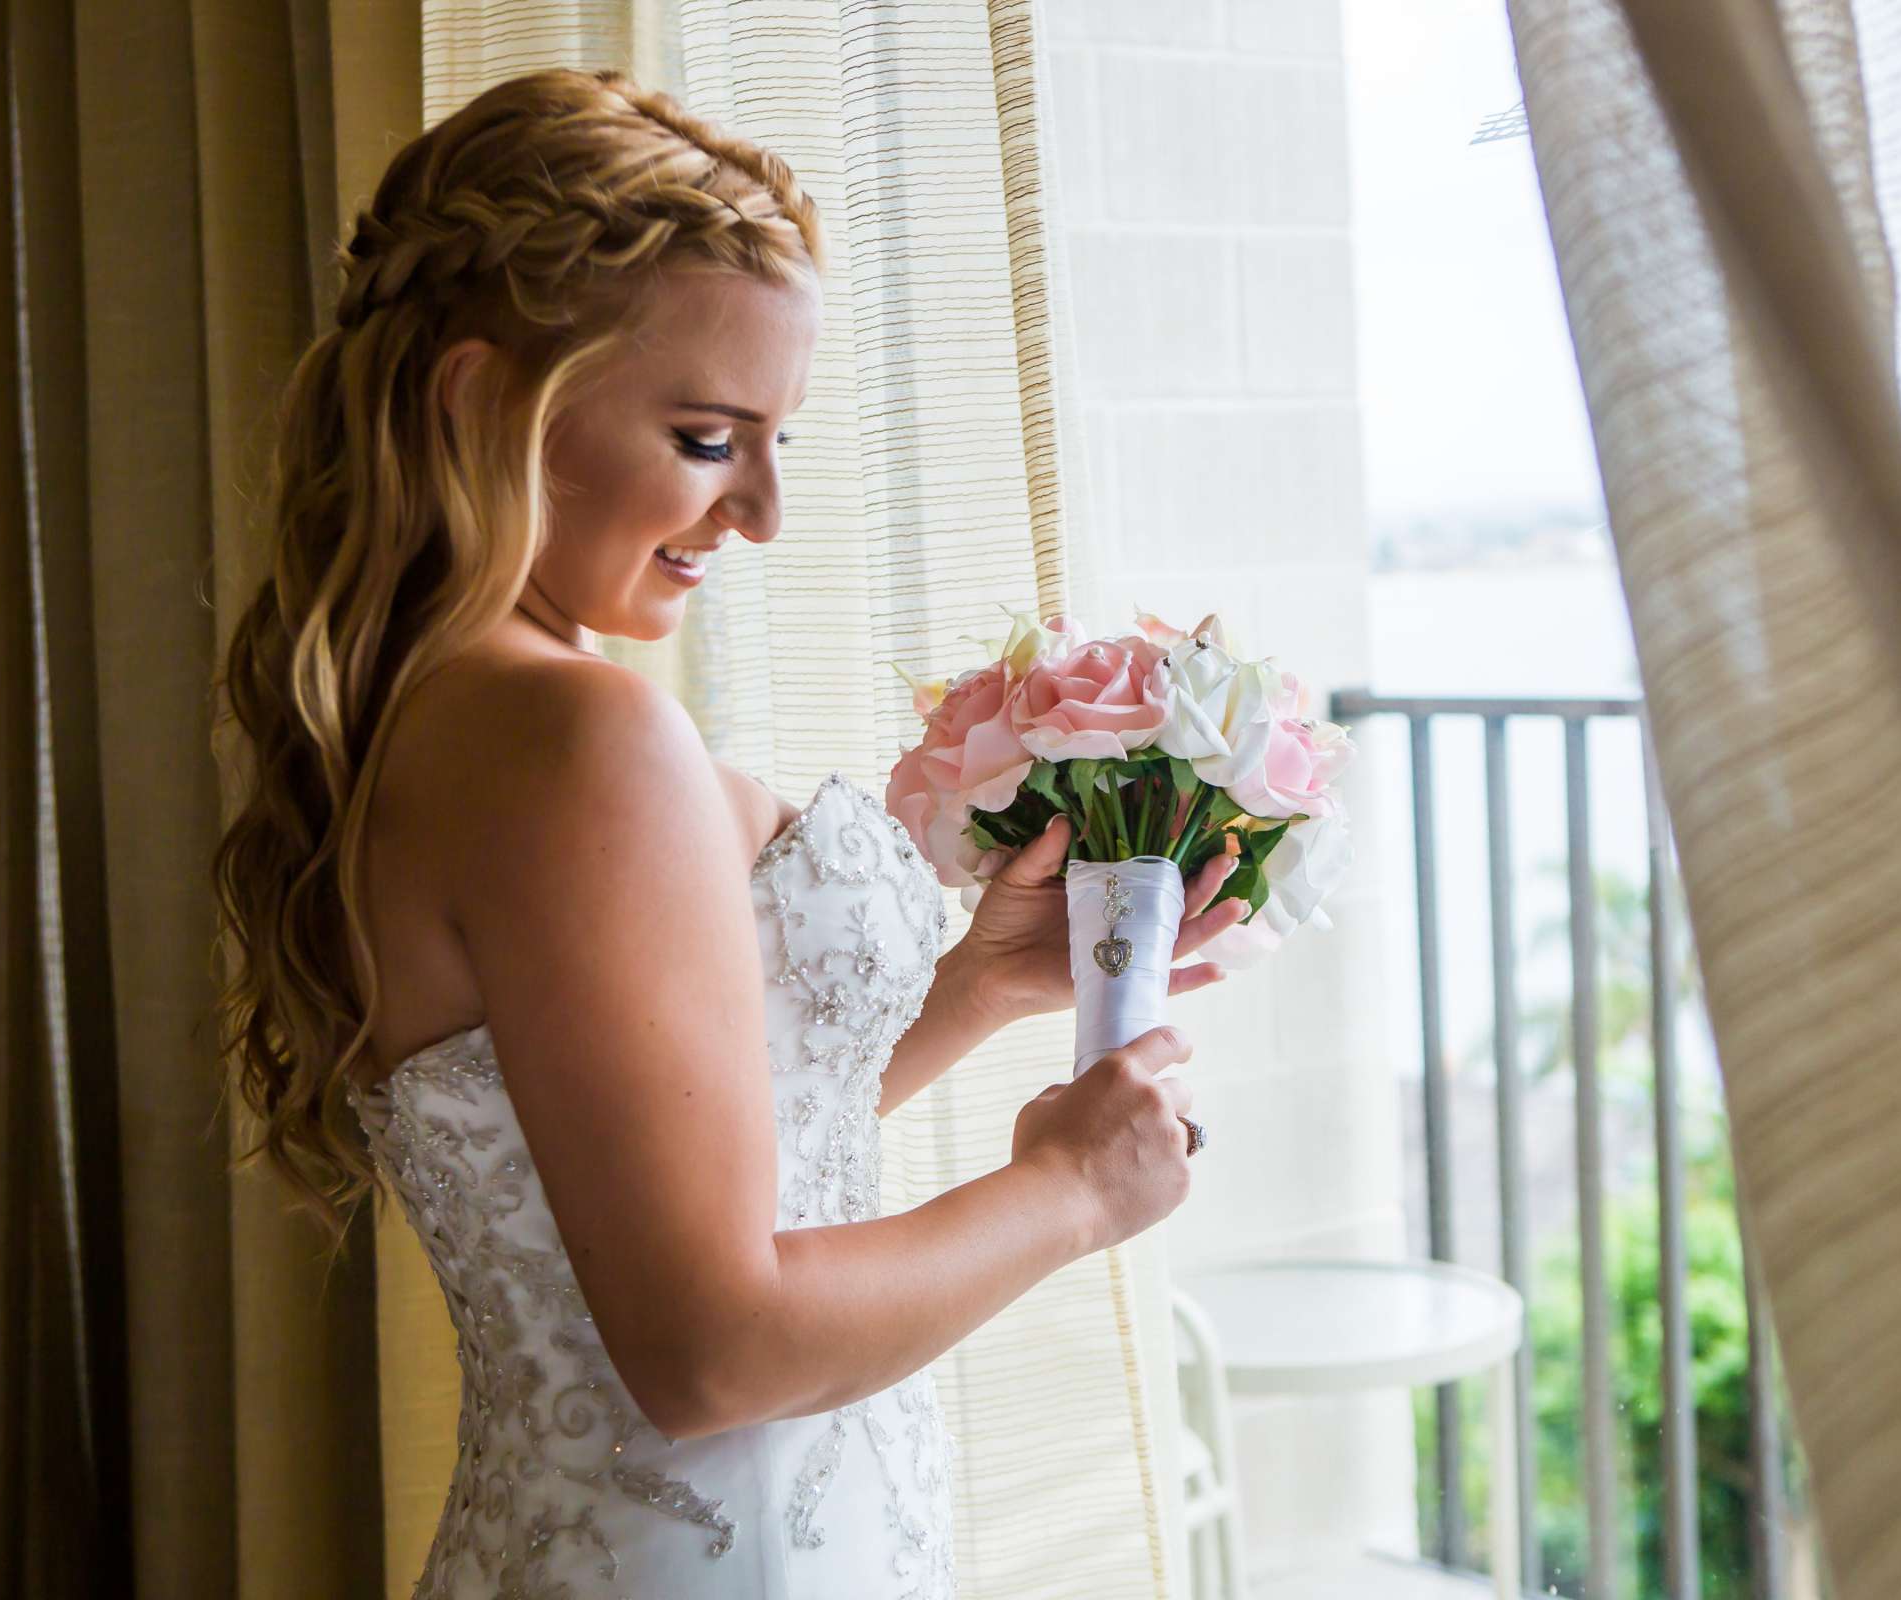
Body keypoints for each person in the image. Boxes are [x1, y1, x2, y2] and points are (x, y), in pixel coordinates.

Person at [209, 66, 1247, 1599]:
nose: (758, 511)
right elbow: (710, 1348)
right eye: (707, 437)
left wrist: (967, 996)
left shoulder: (444, 710)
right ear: (482, 398)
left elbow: (646, 1168)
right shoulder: (573, 732)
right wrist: (1070, 1191)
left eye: (776, 441)